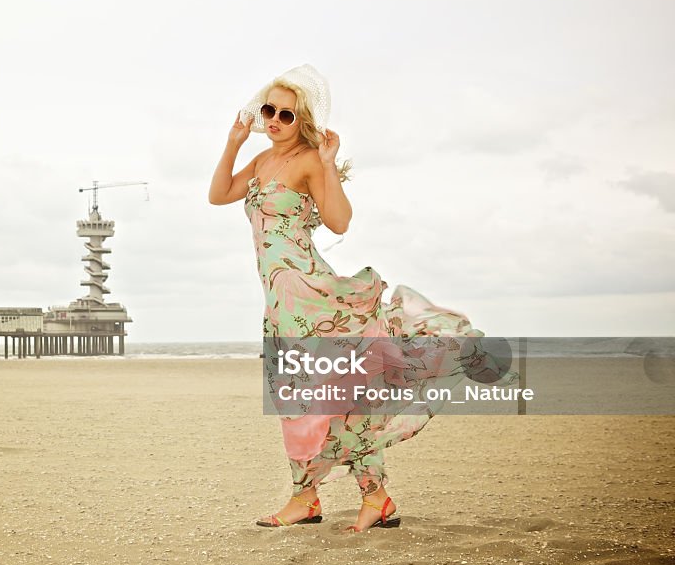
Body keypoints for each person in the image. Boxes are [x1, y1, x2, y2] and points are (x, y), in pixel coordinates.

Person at [208, 64, 510, 532]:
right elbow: (219, 194)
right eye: (267, 110)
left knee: (321, 397)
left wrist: (328, 165)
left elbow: (339, 222)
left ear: (302, 120)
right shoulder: (263, 161)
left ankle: (343, 496)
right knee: (301, 398)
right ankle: (349, 499)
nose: (273, 121)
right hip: (280, 301)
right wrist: (234, 141)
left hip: (311, 295)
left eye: (285, 115)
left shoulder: (308, 159)